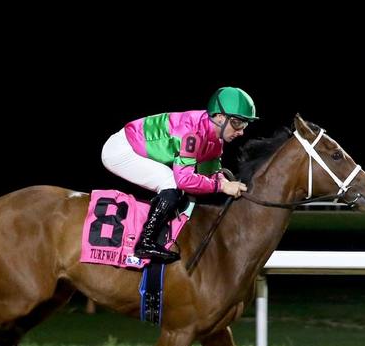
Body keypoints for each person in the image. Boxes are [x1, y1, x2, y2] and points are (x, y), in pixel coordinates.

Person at [101, 86, 255, 263]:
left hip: (134, 145)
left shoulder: (215, 140)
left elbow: (211, 173)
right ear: (220, 117)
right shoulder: (192, 134)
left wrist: (223, 181)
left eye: (245, 124)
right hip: (120, 150)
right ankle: (145, 242)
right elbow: (184, 181)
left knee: (175, 186)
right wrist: (222, 186)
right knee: (171, 183)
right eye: (237, 123)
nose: (242, 131)